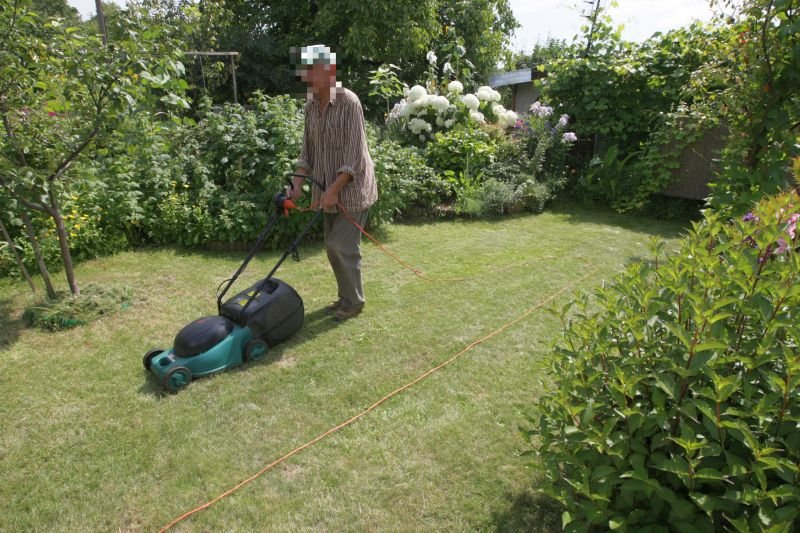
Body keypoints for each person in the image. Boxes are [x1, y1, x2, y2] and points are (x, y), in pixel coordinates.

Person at [289, 44, 378, 321]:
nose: (306, 78)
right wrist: (297, 186)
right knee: (333, 247)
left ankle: (354, 301)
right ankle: (345, 297)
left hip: (352, 190)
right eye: (304, 72)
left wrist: (333, 190)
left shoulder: (349, 102)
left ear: (330, 71)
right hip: (327, 189)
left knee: (340, 246)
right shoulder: (311, 107)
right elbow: (308, 154)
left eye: (311, 71)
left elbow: (354, 156)